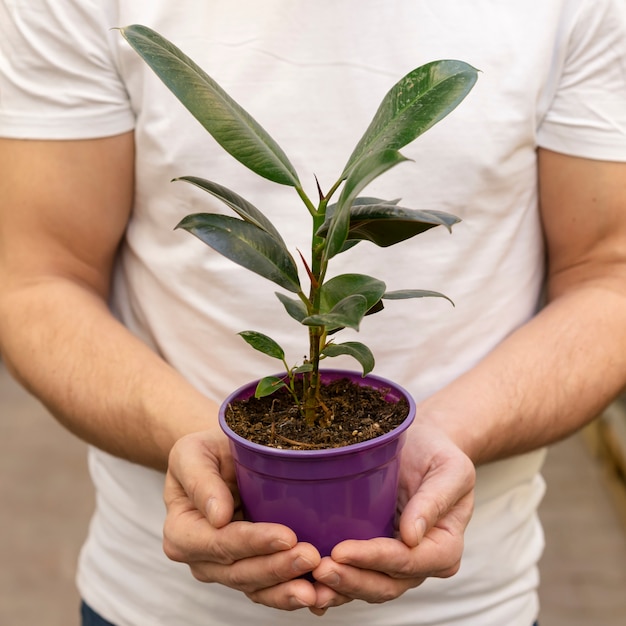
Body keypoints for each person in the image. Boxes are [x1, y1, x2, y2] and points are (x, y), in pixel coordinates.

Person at [1, 1, 625, 624]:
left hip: (477, 605)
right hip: (149, 603)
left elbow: (610, 278)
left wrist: (444, 435)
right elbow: (34, 279)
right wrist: (214, 455)